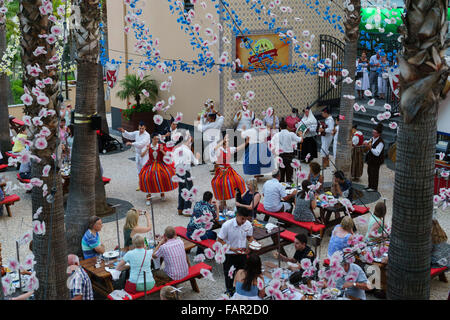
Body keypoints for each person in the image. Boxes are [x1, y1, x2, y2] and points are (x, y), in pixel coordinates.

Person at [217, 207, 255, 296]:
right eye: (242, 218)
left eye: (246, 219)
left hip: (242, 253)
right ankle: (229, 290)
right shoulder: (227, 225)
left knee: (241, 273)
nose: (244, 221)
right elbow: (219, 240)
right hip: (229, 254)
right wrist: (232, 249)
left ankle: (239, 291)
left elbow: (249, 237)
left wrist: (253, 243)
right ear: (237, 215)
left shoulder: (248, 224)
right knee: (229, 275)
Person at [139, 133, 178, 204]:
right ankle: (148, 196)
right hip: (150, 164)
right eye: (155, 139)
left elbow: (167, 155)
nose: (157, 140)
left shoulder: (160, 146)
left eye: (157, 139)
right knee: (147, 177)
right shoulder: (148, 146)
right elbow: (142, 155)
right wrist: (146, 149)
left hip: (160, 163)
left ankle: (162, 193)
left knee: (164, 176)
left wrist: (162, 150)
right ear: (152, 139)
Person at [211, 135, 246, 210]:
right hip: (220, 171)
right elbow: (214, 149)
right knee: (221, 184)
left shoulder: (230, 149)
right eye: (227, 142)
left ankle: (239, 200)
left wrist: (247, 142)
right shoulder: (219, 149)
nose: (228, 143)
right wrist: (222, 141)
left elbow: (238, 148)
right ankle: (223, 203)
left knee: (239, 181)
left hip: (229, 170)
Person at [118, 121, 151, 191]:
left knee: (144, 169)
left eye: (142, 128)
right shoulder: (136, 133)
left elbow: (141, 144)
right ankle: (140, 184)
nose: (141, 130)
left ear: (145, 128)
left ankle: (147, 184)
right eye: (140, 128)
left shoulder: (147, 135)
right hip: (138, 154)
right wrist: (124, 131)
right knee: (139, 170)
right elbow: (130, 135)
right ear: (138, 127)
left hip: (145, 155)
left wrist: (132, 143)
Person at [173, 136, 201, 215]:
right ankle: (186, 210)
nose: (191, 143)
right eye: (190, 141)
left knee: (181, 190)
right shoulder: (188, 150)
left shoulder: (177, 149)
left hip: (178, 171)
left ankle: (180, 209)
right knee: (189, 190)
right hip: (185, 172)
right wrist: (198, 157)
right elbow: (196, 162)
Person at [363, 123, 384, 192]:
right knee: (369, 172)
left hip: (376, 161)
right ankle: (370, 185)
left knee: (374, 173)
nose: (373, 133)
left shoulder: (380, 142)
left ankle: (374, 187)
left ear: (378, 134)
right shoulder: (372, 138)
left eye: (375, 133)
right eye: (373, 132)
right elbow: (368, 141)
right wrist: (365, 142)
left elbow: (377, 153)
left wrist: (370, 148)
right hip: (370, 159)